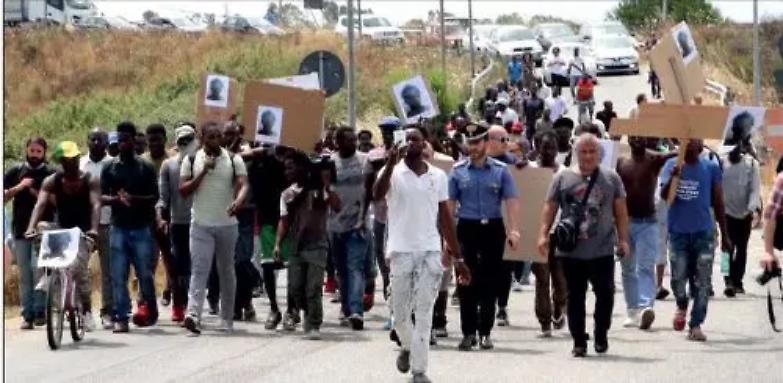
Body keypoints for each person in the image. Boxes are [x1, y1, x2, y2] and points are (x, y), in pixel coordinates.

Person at [374, 128, 471, 383]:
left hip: (430, 251)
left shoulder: (438, 176)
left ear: (424, 143)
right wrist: (389, 163)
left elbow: (445, 218)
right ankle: (407, 346)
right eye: (405, 139)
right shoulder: (392, 173)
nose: (410, 142)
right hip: (401, 251)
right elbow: (376, 194)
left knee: (425, 310)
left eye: (415, 138)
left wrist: (458, 257)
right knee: (400, 314)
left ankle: (419, 370)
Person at [538, 133, 629, 357]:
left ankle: (601, 333)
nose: (588, 156)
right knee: (575, 296)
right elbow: (549, 208)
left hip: (603, 250)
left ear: (599, 153)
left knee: (606, 294)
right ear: (576, 153)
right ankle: (579, 340)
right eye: (583, 152)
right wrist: (543, 235)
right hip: (571, 251)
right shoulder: (562, 178)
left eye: (592, 152)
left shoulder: (611, 178)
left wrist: (623, 239)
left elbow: (621, 212)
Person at [449, 122, 520, 351]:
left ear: (486, 142)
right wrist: (447, 241)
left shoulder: (500, 170)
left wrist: (514, 230)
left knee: (490, 280)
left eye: (477, 142)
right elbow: (449, 208)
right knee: (465, 280)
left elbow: (511, 201)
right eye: (470, 143)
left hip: (492, 228)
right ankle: (468, 332)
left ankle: (485, 332)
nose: (473, 147)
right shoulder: (458, 171)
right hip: (466, 229)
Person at [179, 121, 249, 334]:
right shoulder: (191, 160)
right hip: (201, 225)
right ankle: (193, 314)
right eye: (211, 137)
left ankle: (226, 317)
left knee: (226, 270)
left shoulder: (234, 159)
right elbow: (183, 190)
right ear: (202, 139)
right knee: (200, 270)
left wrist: (238, 201)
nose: (216, 141)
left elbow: (244, 183)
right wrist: (203, 172)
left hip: (227, 225)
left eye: (218, 136)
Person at [660, 139, 731, 342]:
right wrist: (673, 177)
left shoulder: (710, 167)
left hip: (704, 234)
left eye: (696, 141)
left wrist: (724, 235)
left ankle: (696, 324)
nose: (691, 145)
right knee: (678, 279)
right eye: (687, 141)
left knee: (702, 283)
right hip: (678, 234)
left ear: (701, 146)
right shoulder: (671, 165)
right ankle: (682, 303)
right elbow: (665, 196)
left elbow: (718, 201)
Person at [25, 141, 100, 332]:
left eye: (73, 159)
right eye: (65, 160)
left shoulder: (89, 179)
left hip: (83, 231)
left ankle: (88, 312)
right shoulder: (52, 181)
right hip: (61, 228)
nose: (70, 163)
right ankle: (46, 275)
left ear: (77, 158)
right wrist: (30, 227)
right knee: (41, 228)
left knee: (79, 271)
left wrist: (93, 228)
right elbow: (40, 205)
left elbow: (96, 205)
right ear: (60, 162)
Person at [274, 151, 341, 340]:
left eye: (290, 168)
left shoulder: (318, 190)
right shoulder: (287, 194)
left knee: (313, 287)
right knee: (296, 288)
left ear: (302, 169)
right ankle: (305, 312)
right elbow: (284, 221)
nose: (287, 172)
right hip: (296, 246)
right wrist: (278, 244)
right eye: (285, 168)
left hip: (317, 245)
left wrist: (327, 185)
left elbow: (337, 206)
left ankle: (313, 324)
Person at [100, 122, 159, 333]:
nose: (123, 143)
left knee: (144, 273)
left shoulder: (146, 167)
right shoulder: (109, 167)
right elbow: (101, 196)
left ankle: (150, 309)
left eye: (127, 139)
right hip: (118, 227)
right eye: (120, 139)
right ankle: (121, 317)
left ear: (134, 141)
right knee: (118, 275)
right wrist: (116, 199)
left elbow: (155, 197)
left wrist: (134, 199)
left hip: (141, 228)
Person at [616, 136, 678, 330]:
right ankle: (632, 310)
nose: (638, 140)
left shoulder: (654, 160)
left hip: (648, 222)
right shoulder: (621, 162)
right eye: (634, 136)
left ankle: (645, 308)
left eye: (641, 136)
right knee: (627, 269)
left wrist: (685, 144)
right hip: (625, 223)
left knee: (645, 266)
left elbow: (674, 153)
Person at [4, 137, 55, 329]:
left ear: (44, 153)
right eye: (32, 151)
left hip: (43, 229)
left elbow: (58, 201)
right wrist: (19, 187)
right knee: (25, 273)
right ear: (26, 150)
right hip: (20, 229)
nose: (35, 155)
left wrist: (38, 194)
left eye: (38, 152)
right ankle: (27, 314)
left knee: (39, 269)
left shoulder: (50, 173)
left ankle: (41, 311)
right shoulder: (16, 171)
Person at [329, 127, 374, 330]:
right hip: (335, 225)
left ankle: (356, 311)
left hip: (358, 224)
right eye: (348, 140)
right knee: (342, 270)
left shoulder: (365, 161)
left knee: (355, 267)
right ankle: (347, 309)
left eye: (354, 140)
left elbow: (369, 192)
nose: (353, 143)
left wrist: (363, 218)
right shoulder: (330, 162)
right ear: (338, 142)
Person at [250, 144, 295, 330]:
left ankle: (292, 310)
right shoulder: (259, 159)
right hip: (267, 219)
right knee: (268, 265)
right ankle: (274, 309)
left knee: (293, 268)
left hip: (292, 220)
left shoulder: (295, 156)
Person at [528, 129, 568, 337]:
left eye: (552, 147)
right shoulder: (529, 170)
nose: (548, 151)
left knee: (561, 279)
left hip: (560, 233)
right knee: (542, 278)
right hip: (538, 233)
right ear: (537, 148)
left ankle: (559, 307)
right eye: (544, 147)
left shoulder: (565, 173)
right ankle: (544, 321)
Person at [156, 125, 197, 323]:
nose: (185, 144)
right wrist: (162, 216)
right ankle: (178, 304)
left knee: (196, 265)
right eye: (181, 141)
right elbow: (163, 197)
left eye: (189, 140)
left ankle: (193, 306)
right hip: (178, 222)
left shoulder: (204, 163)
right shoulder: (168, 166)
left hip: (200, 222)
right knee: (178, 266)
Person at [485, 125, 524, 327]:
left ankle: (502, 306)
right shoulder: (480, 161)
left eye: (507, 139)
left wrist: (524, 169)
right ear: (490, 141)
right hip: (485, 221)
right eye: (502, 139)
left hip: (507, 223)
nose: (507, 142)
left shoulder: (514, 163)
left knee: (505, 268)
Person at [220, 121, 258, 321]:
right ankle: (238, 304)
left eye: (234, 133)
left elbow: (259, 154)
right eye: (226, 134)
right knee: (229, 263)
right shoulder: (215, 154)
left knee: (242, 260)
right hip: (223, 213)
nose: (230, 137)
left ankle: (244, 301)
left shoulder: (249, 152)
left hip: (245, 213)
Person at [80, 128, 115, 329]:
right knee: (80, 270)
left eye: (100, 139)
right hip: (85, 224)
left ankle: (107, 312)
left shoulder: (113, 164)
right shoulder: (80, 165)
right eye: (92, 139)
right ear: (87, 141)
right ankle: (83, 312)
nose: (96, 142)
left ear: (106, 142)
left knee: (108, 272)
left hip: (108, 222)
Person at [721, 144, 761, 297]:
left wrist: (751, 209)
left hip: (745, 214)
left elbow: (755, 189)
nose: (733, 151)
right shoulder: (721, 163)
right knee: (726, 250)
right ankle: (727, 281)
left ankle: (738, 282)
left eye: (736, 148)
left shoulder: (751, 164)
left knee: (741, 248)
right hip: (726, 213)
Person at [142, 123, 174, 308]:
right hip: (146, 216)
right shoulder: (142, 161)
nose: (154, 143)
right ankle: (146, 298)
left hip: (168, 215)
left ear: (165, 140)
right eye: (151, 139)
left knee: (169, 258)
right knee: (148, 259)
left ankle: (168, 290)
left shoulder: (172, 160)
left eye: (158, 139)